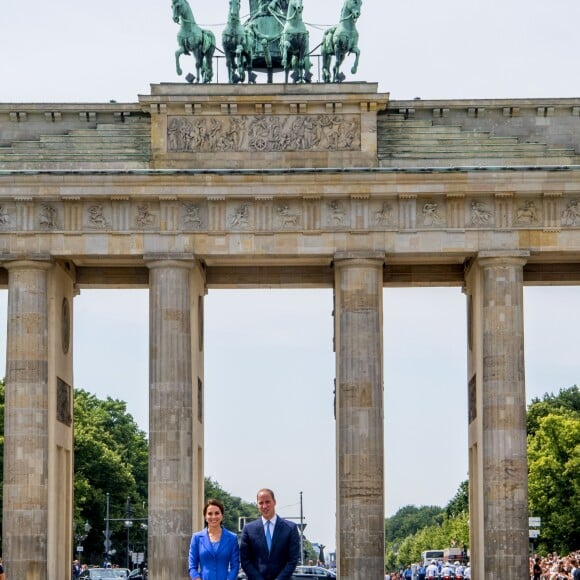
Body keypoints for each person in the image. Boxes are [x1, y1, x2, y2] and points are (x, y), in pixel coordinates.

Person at [240, 488, 300, 580]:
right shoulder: (248, 529)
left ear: (274, 502)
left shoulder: (290, 528)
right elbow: (245, 560)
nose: (264, 506)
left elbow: (292, 560)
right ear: (257, 505)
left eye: (267, 502)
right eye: (261, 503)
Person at [188, 499, 240, 580]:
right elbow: (192, 567)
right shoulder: (196, 538)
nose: (213, 517)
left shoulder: (232, 538)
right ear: (205, 517)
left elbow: (235, 566)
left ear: (222, 515)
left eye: (217, 513)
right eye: (210, 514)